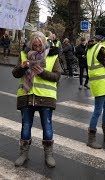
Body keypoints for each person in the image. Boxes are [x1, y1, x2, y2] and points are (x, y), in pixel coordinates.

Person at [12, 31, 62, 168]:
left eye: (40, 45)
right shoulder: (23, 54)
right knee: (26, 126)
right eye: (34, 45)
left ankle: (49, 155)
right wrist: (22, 67)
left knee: (47, 126)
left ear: (44, 44)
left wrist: (42, 72)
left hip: (45, 97)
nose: (37, 48)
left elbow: (57, 76)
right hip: (26, 96)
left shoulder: (52, 55)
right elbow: (15, 73)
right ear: (30, 43)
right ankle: (23, 154)